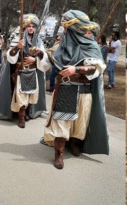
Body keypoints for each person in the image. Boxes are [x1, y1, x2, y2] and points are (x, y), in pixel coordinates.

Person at [36, 9, 109, 169]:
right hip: (65, 89)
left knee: (79, 124)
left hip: (83, 91)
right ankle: (59, 154)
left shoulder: (91, 46)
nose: (65, 31)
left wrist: (76, 70)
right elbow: (48, 61)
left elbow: (96, 69)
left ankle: (75, 144)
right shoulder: (61, 46)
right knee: (61, 122)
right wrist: (40, 55)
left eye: (67, 29)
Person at [0, 13, 46, 127]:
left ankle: (26, 112)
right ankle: (21, 117)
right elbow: (10, 57)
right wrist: (18, 47)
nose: (31, 28)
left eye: (33, 26)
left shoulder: (39, 41)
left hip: (33, 71)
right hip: (20, 72)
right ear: (25, 27)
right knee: (21, 95)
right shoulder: (18, 39)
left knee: (31, 94)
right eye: (28, 26)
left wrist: (34, 60)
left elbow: (44, 57)